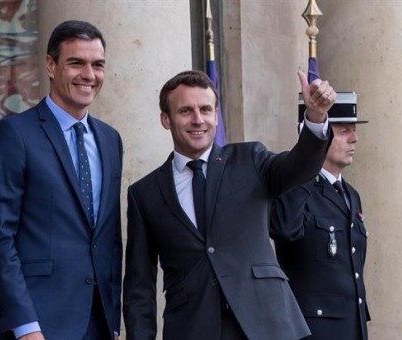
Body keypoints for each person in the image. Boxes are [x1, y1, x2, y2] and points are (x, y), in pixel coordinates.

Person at [123, 69, 336, 340]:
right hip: (192, 328)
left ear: (216, 115)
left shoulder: (250, 159)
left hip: (267, 324)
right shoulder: (145, 193)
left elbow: (299, 167)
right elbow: (139, 286)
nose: (198, 119)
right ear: (166, 119)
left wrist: (316, 118)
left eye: (206, 109)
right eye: (186, 111)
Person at [0, 20, 123, 340]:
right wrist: (25, 325)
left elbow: (110, 239)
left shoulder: (110, 139)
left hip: (98, 324)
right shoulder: (13, 135)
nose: (89, 74)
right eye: (76, 63)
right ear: (50, 65)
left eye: (98, 65)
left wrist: (112, 320)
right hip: (37, 326)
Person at [270, 93, 370, 339]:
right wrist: (307, 161)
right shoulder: (294, 185)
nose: (354, 138)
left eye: (354, 130)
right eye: (344, 130)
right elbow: (284, 229)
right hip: (312, 330)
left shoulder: (350, 194)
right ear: (320, 134)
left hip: (352, 328)